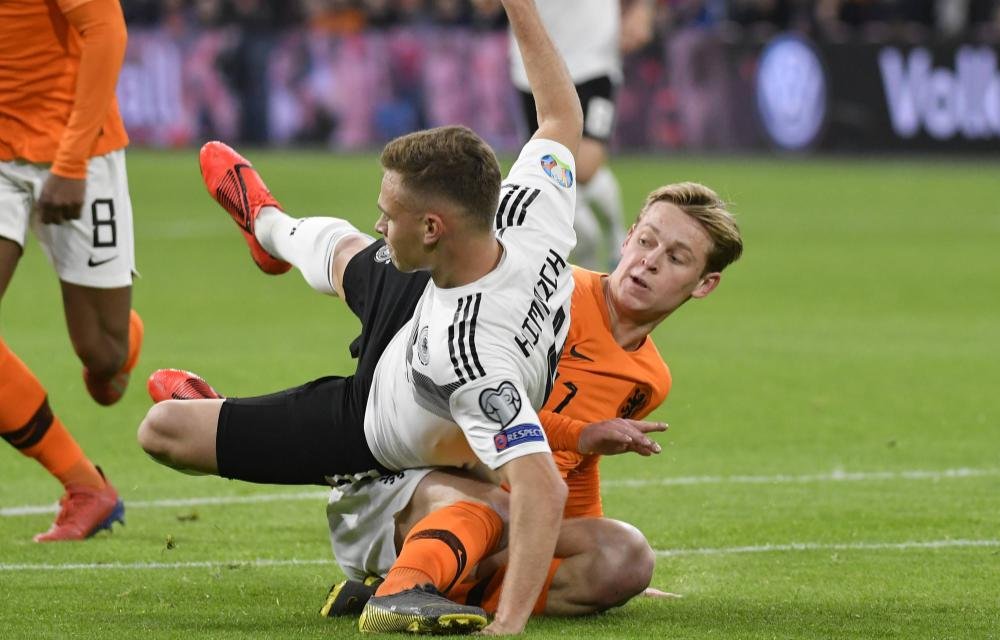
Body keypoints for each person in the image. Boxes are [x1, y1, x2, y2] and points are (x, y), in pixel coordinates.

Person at [139, 0, 582, 634]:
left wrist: (507, 628)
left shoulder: (474, 359)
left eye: (390, 211)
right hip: (426, 301)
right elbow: (561, 115)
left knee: (163, 428)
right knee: (353, 252)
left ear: (432, 227)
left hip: (370, 422)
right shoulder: (524, 213)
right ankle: (266, 223)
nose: (381, 220)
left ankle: (220, 402)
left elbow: (543, 489)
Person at [147, 180, 743, 626]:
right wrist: (575, 439)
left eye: (676, 258)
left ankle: (444, 582)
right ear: (627, 234)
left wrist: (603, 559)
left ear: (704, 284)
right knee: (360, 265)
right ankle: (400, 590)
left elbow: (573, 478)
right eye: (646, 240)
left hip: (483, 490)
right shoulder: (545, 293)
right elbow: (482, 406)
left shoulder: (648, 377)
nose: (648, 261)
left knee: (627, 559)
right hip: (405, 472)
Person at [0, 0, 143, 542]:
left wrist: (70, 163)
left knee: (102, 359)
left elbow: (106, 29)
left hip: (75, 151)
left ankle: (120, 340)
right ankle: (85, 486)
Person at [506, 0, 656, 269]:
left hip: (592, 57)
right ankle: (587, 262)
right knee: (551, 171)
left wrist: (641, 8)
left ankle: (614, 235)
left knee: (582, 167)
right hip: (532, 63)